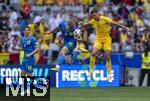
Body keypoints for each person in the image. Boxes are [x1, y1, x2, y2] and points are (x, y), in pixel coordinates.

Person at [83, 8, 131, 82]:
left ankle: (109, 75)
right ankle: (91, 70)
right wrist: (83, 24)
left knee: (107, 56)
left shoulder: (105, 19)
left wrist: (125, 27)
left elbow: (115, 24)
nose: (93, 17)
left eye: (94, 15)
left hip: (106, 39)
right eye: (92, 16)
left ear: (97, 13)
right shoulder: (93, 21)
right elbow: (88, 23)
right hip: (98, 39)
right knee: (93, 53)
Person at [13, 26, 39, 94]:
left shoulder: (33, 39)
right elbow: (22, 48)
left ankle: (36, 85)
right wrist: (15, 49)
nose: (27, 31)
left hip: (30, 59)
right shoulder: (23, 39)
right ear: (24, 31)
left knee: (29, 75)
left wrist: (30, 54)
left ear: (29, 31)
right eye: (26, 30)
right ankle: (25, 90)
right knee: (22, 74)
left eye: (28, 30)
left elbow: (37, 49)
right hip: (24, 59)